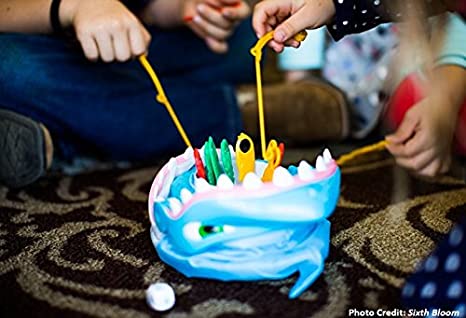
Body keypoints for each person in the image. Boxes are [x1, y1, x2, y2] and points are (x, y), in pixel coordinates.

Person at [0, 0, 253, 188]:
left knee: (247, 38)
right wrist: (72, 8)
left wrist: (185, 9)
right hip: (34, 48)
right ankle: (243, 111)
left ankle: (62, 134)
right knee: (10, 67)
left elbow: (144, 7)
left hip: (116, 50)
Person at [252, 0, 466, 178]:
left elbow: (456, 23)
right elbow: (300, 15)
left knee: (420, 106)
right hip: (337, 78)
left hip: (415, 69)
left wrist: (445, 99)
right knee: (305, 104)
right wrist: (298, 81)